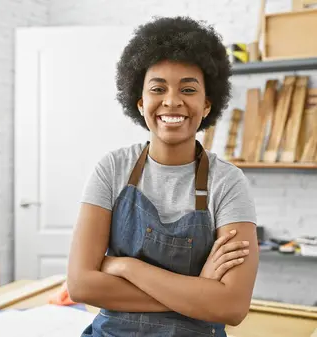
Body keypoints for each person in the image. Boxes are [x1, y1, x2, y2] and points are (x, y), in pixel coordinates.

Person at [67, 16, 259, 337]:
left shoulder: (227, 182)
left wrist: (126, 267)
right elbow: (81, 284)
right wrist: (199, 291)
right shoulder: (112, 169)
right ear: (141, 103)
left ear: (207, 104)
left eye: (188, 89)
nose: (172, 100)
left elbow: (232, 306)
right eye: (158, 88)